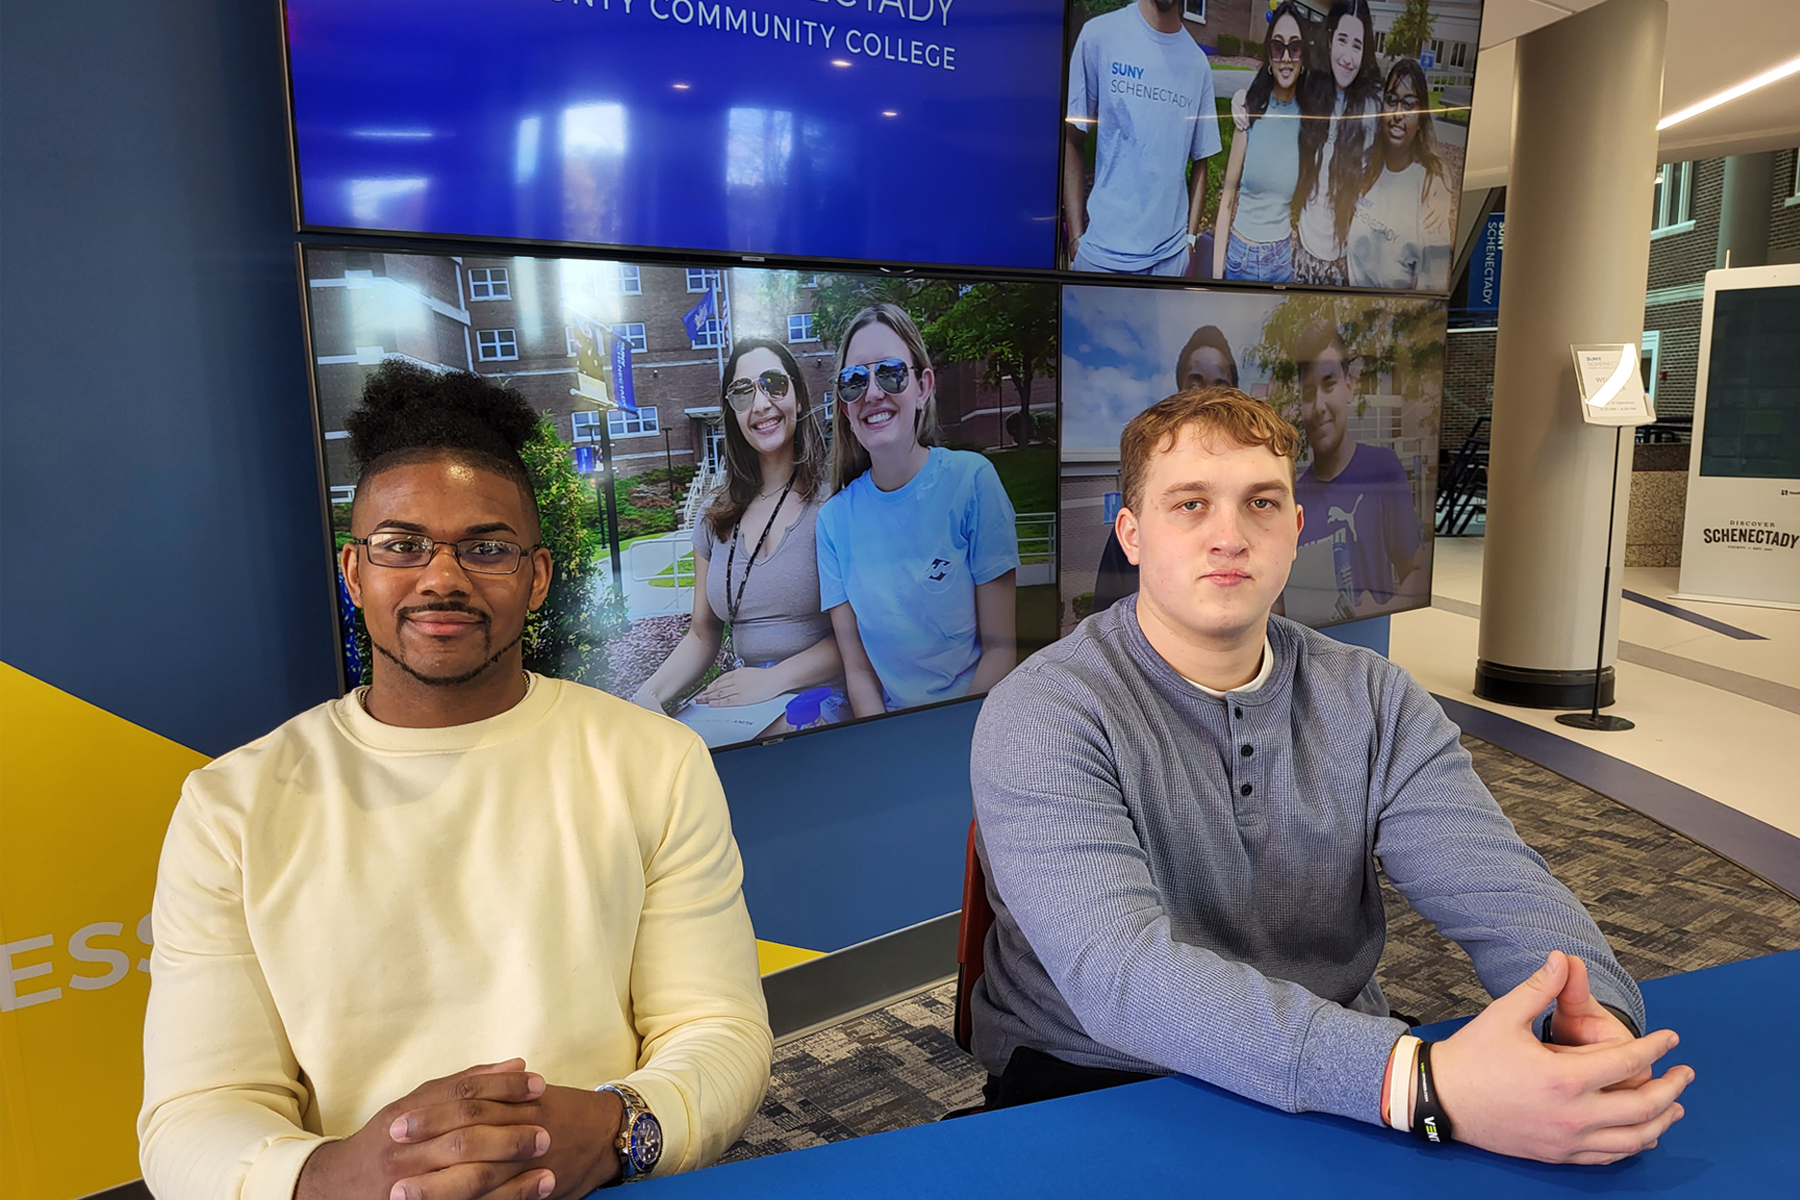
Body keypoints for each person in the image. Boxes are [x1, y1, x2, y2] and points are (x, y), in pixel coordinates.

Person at [970, 388, 1692, 1163]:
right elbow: (1119, 978)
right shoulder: (1046, 712)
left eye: (1262, 503)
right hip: (1101, 1074)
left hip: (1342, 1065)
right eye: (1189, 504)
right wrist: (1419, 1083)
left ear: (1295, 528)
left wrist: (1587, 1014)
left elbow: (1496, 883)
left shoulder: (1374, 697)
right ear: (1133, 533)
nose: (1230, 536)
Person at [139, 362, 773, 1200]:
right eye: (401, 546)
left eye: (486, 548)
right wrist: (342, 1176)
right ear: (354, 571)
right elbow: (196, 1112)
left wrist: (620, 1127)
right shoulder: (230, 808)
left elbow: (718, 1029)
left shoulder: (653, 761)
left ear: (537, 578)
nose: (442, 577)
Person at [632, 339, 845, 739]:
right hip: (747, 704)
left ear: (798, 398)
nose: (760, 404)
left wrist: (773, 680)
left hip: (824, 696)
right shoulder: (715, 515)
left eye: (774, 384)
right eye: (743, 392)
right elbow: (702, 633)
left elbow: (858, 634)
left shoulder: (835, 502)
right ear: (732, 412)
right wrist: (646, 698)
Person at [816, 302, 1020, 717]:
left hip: (975, 724)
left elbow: (1001, 649)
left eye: (890, 372)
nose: (872, 393)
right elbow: (858, 672)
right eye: (854, 381)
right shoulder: (833, 523)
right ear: (844, 406)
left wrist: (947, 740)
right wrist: (886, 742)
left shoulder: (972, 482)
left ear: (923, 386)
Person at [1063, 0, 1221, 276]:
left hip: (1169, 261)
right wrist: (1076, 239)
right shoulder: (1099, 36)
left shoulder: (1197, 65)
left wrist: (1190, 242)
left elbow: (1202, 160)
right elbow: (1072, 138)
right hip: (1099, 256)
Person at [1095, 325, 1244, 614]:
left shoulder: (1265, 524)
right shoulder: (1140, 524)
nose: (1228, 543)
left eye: (1220, 386)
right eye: (1197, 384)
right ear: (1180, 392)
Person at [1291, 319, 1429, 615]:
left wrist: (1382, 609)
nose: (1318, 405)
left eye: (1329, 385)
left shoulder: (1382, 469)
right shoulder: (1291, 496)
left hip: (1370, 645)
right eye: (1307, 393)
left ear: (1349, 387)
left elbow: (1416, 569)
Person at [1287, 0, 1382, 286]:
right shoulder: (1309, 91)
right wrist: (1243, 98)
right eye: (1342, 40)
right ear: (1329, 40)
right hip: (1303, 251)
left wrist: (1435, 184)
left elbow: (1408, 152)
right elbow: (1270, 98)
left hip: (1345, 261)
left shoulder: (1371, 108)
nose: (1348, 57)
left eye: (1357, 45)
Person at [1211, 2, 1307, 283]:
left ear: (1304, 58)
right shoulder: (1249, 111)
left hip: (1281, 262)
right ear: (1269, 55)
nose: (1286, 57)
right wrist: (1215, 280)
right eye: (1278, 47)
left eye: (1295, 47)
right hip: (1240, 258)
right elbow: (1227, 200)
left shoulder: (1310, 119)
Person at [1347, 58, 1456, 292]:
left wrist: (1442, 178)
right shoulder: (1366, 168)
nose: (1398, 113)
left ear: (1421, 118)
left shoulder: (1429, 194)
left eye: (1409, 105)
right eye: (1392, 100)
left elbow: (1430, 300)